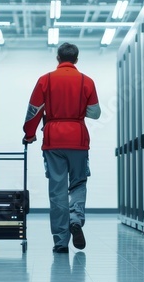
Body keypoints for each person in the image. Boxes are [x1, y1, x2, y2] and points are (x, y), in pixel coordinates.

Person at [23, 42, 101, 253]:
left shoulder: (45, 80)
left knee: (57, 190)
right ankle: (75, 219)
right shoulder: (87, 81)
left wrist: (29, 134)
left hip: (53, 139)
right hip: (78, 139)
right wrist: (78, 108)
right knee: (78, 183)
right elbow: (95, 113)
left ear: (58, 58)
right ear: (76, 59)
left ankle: (60, 242)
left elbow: (34, 111)